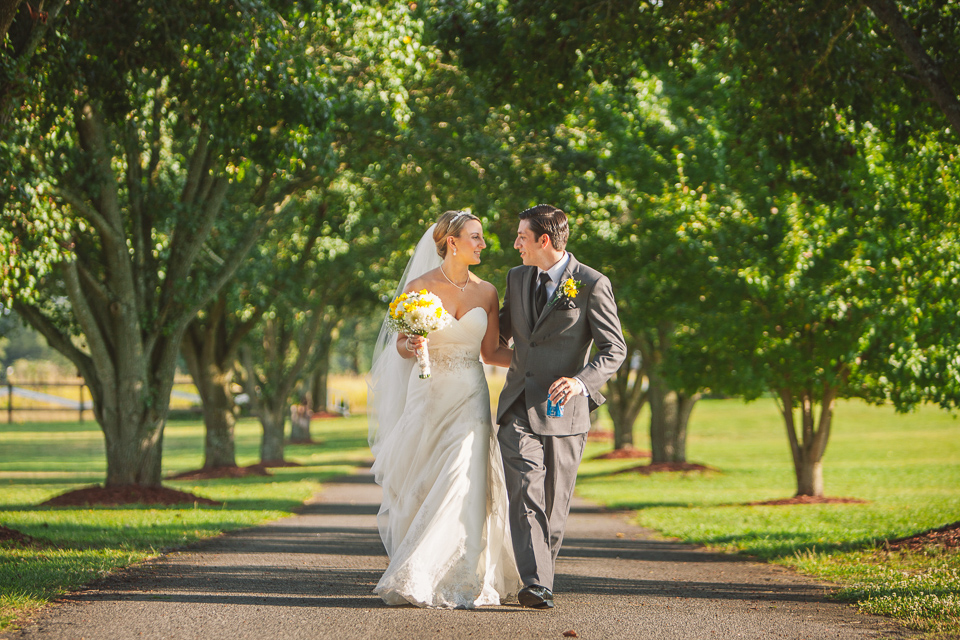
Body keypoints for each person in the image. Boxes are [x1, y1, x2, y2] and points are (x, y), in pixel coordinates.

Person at [367, 211, 521, 609]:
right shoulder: (418, 288)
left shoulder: (487, 292)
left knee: (463, 479)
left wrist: (535, 362)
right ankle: (422, 568)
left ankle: (460, 574)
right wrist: (411, 346)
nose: (483, 244)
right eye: (476, 237)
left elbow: (491, 352)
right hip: (429, 398)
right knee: (427, 481)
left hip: (470, 397)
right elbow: (400, 345)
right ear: (451, 242)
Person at [497, 204, 627, 609]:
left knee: (554, 505)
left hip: (565, 415)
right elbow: (498, 331)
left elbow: (614, 349)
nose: (516, 243)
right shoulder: (516, 278)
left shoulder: (591, 283)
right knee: (524, 489)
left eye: (521, 236)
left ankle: (542, 577)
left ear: (544, 240)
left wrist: (579, 382)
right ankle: (536, 582)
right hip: (518, 404)